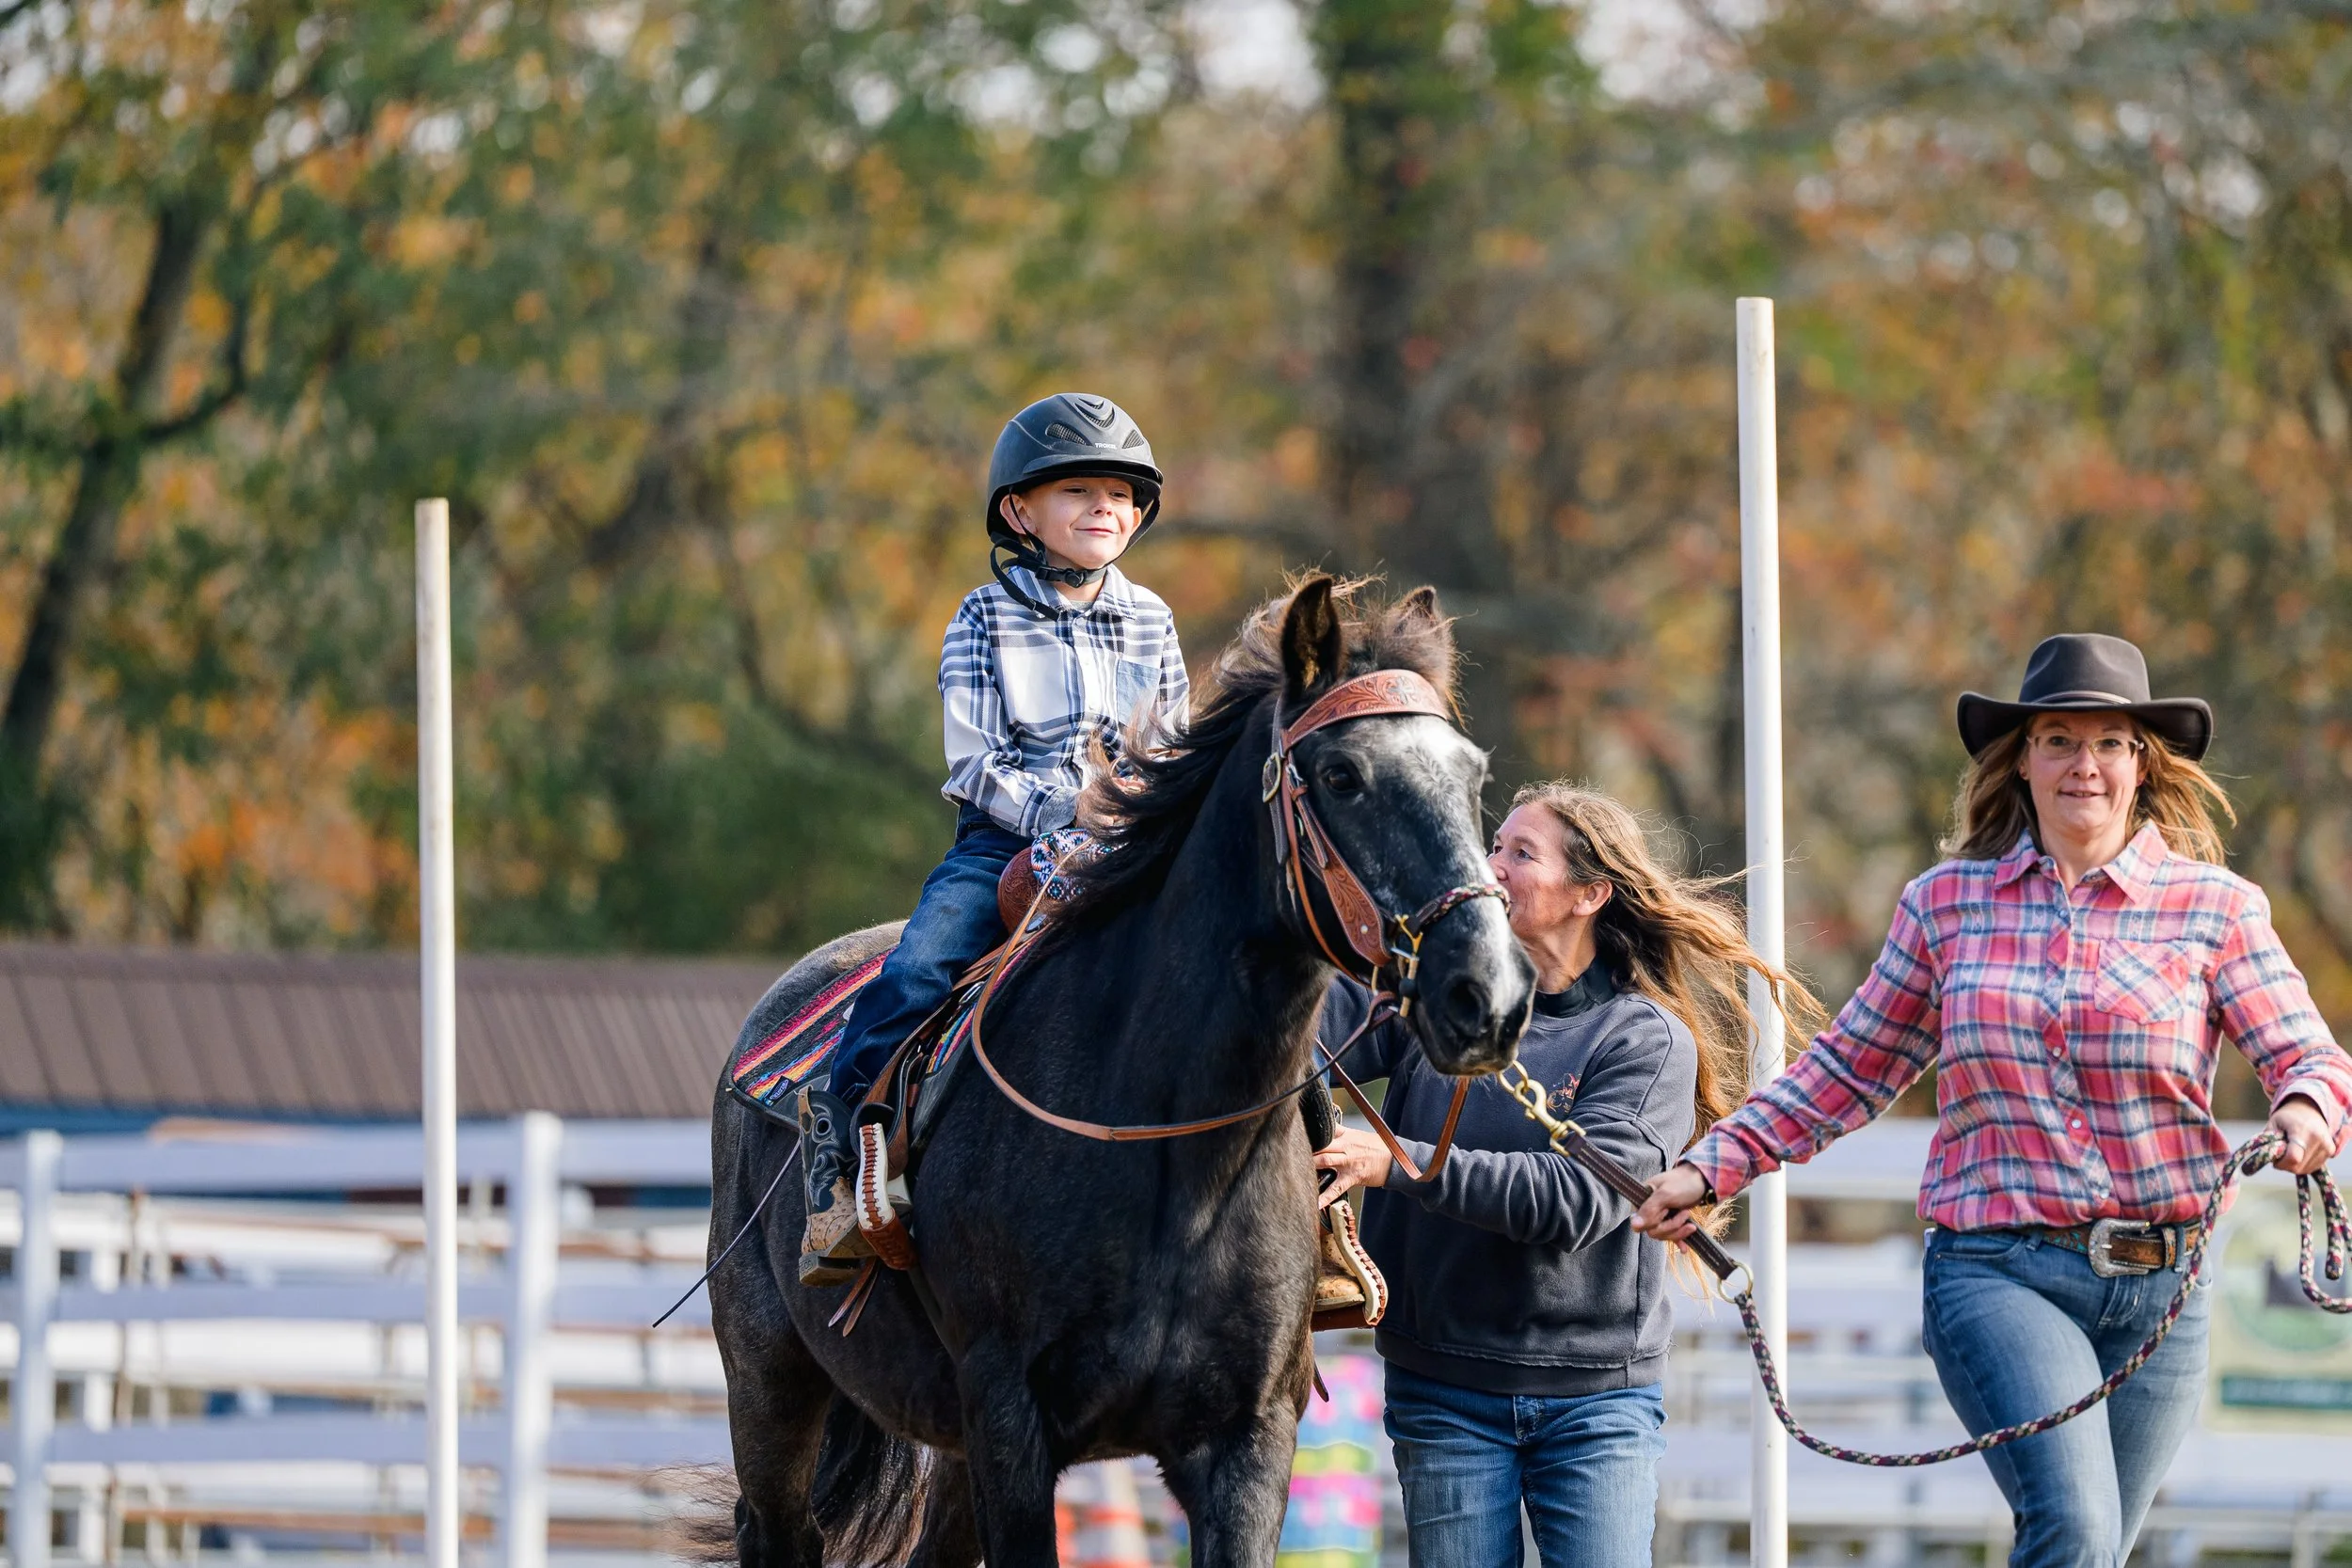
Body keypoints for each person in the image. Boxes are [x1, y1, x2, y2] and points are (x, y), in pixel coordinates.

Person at [1635, 633, 2352, 1568]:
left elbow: (2310, 1054)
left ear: (2142, 762)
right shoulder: (1945, 904)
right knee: (2077, 1527)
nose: (2082, 764)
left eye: (2107, 742)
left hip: (2165, 1290)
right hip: (1999, 1270)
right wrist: (1708, 1163)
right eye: (2058, 738)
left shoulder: (2216, 907)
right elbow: (1846, 1069)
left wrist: (2301, 1106)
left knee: (2093, 1546)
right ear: (2021, 758)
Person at [1313, 784, 1815, 1568]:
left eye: (1521, 851)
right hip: (1442, 1385)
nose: (1491, 865)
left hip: (1597, 1403)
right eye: (1494, 846)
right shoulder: (1433, 991)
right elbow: (1306, 1037)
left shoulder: (1645, 1040)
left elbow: (1577, 1201)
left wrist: (1399, 1163)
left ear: (1590, 893)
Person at [798, 392, 1187, 1282]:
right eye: (1079, 491)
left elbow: (1173, 739)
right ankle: (844, 1145)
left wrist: (1147, 811)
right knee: (921, 966)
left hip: (1135, 839)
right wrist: (1066, 816)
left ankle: (1312, 1186)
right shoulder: (982, 616)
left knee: (1243, 953)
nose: (1106, 508)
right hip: (1006, 839)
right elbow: (976, 762)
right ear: (1019, 511)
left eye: (1122, 494)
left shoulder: (1153, 618)